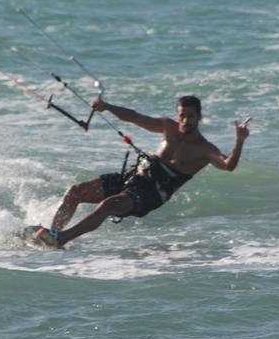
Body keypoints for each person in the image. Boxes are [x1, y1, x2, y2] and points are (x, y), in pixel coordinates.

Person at [31, 95, 251, 248]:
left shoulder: (205, 149)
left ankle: (61, 239)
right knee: (75, 191)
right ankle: (51, 237)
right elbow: (135, 117)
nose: (185, 121)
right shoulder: (168, 127)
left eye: (191, 116)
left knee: (109, 205)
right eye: (182, 115)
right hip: (134, 177)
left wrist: (239, 141)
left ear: (199, 116)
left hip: (152, 193)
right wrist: (107, 106)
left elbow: (228, 165)